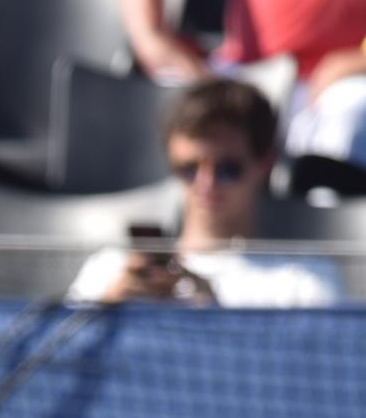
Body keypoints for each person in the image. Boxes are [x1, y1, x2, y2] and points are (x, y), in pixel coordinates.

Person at [67, 78, 344, 306]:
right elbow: (52, 366)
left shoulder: (305, 282)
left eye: (227, 169)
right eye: (189, 168)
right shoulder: (108, 269)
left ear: (264, 164)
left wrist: (214, 322)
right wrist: (107, 309)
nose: (206, 183)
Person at [118, 0, 366, 167]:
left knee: (354, 111)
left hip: (342, 83)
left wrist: (358, 61)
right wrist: (150, 34)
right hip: (244, 71)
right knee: (180, 104)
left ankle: (325, 229)